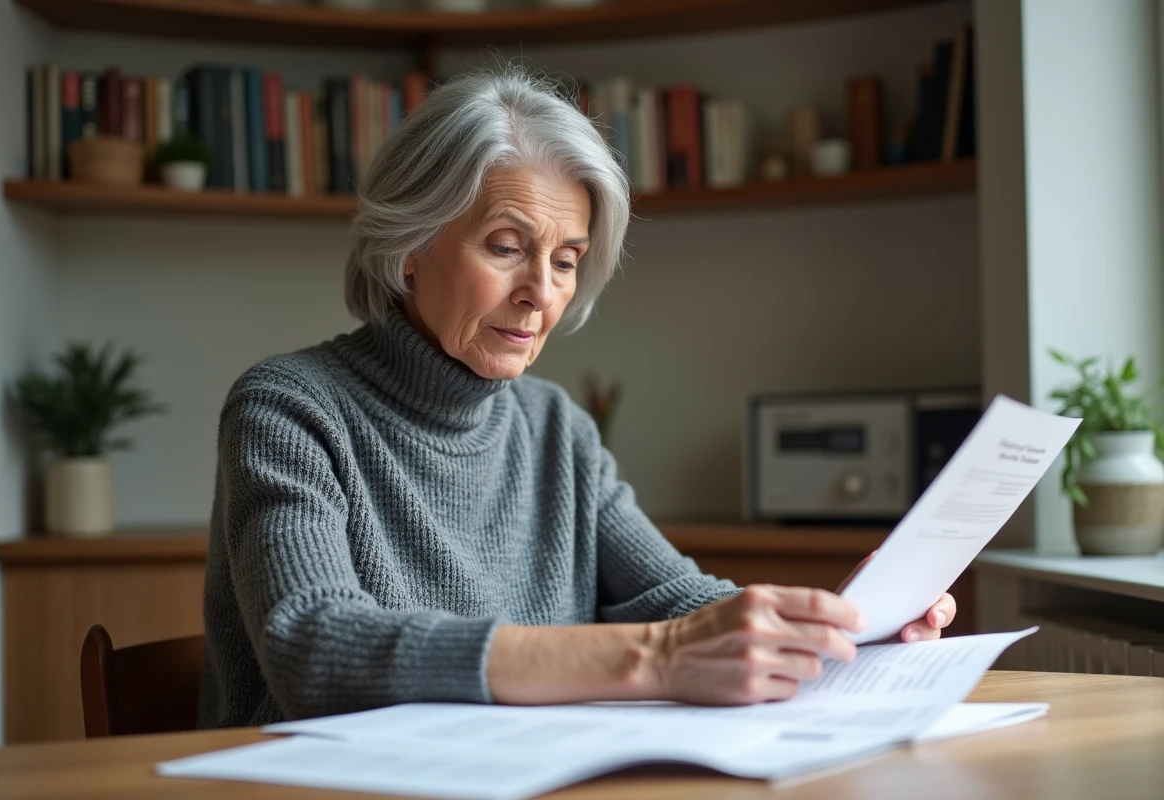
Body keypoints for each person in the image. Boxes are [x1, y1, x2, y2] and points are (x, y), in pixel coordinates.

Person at [197, 67, 955, 729]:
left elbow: (673, 598)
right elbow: (313, 645)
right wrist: (654, 657)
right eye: (505, 247)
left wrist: (828, 628)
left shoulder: (554, 423)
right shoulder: (288, 406)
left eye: (566, 261)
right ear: (408, 247)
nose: (541, 295)